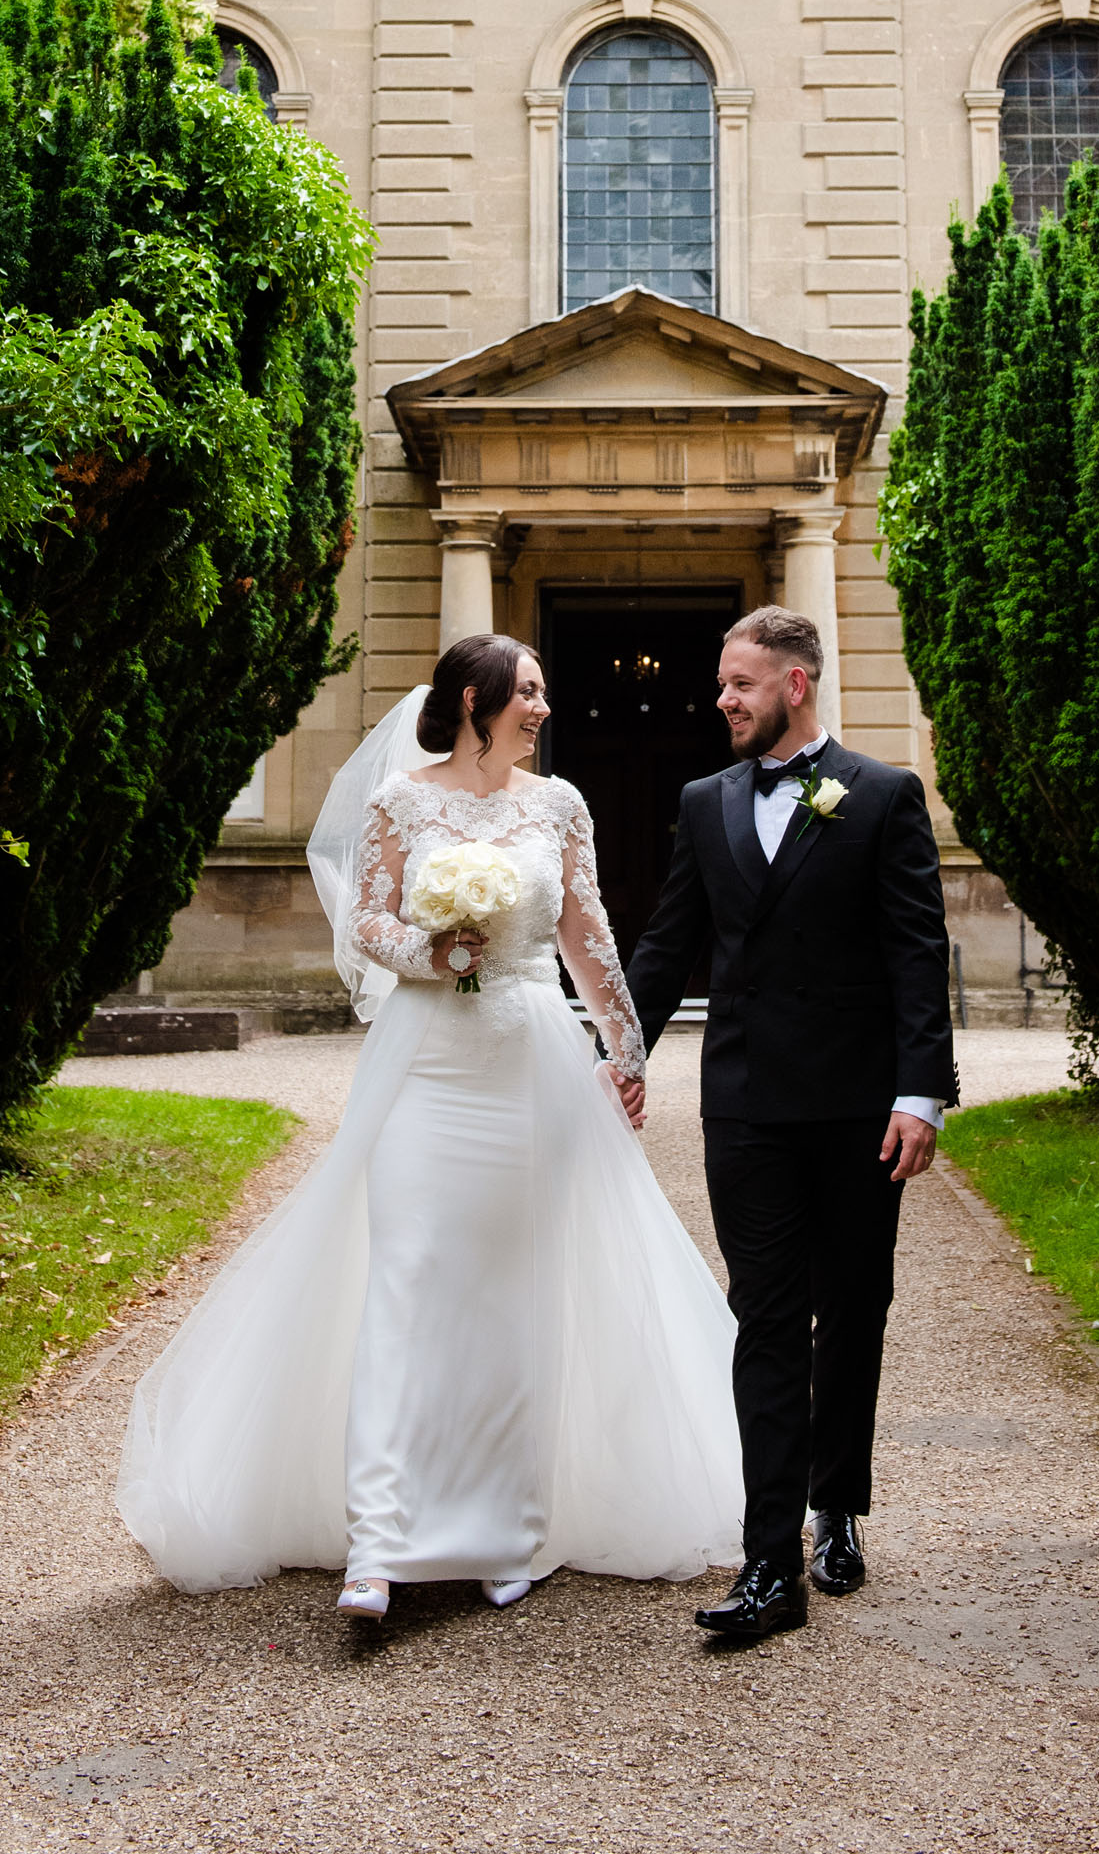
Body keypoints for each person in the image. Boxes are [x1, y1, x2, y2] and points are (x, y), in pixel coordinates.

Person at [116, 634, 742, 1620]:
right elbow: (367, 920)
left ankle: (504, 1531)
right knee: (405, 1282)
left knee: (514, 1297)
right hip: (426, 1067)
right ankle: (378, 1541)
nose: (543, 707)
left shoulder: (558, 805)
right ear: (475, 699)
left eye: (543, 690)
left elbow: (586, 933)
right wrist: (434, 952)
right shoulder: (402, 800)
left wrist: (625, 1053)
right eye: (528, 691)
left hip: (528, 1061)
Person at [624, 605, 957, 1645]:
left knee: (852, 1308)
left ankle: (836, 1504)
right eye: (723, 682)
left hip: (858, 1107)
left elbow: (916, 950)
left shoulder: (883, 795)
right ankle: (769, 1560)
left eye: (741, 682)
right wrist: (620, 1051)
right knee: (765, 1318)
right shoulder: (705, 801)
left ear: (795, 684)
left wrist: (920, 1092)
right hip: (747, 1104)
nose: (722, 698)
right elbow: (668, 940)